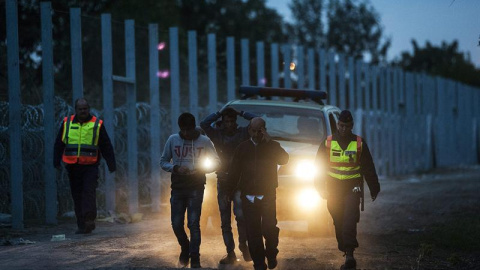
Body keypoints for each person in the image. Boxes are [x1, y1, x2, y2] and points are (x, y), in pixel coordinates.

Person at [314, 110, 380, 269]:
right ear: (337, 125)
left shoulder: (359, 143)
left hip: (353, 187)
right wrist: (319, 186)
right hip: (333, 188)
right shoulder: (327, 143)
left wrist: (374, 187)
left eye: (347, 126)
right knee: (338, 219)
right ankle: (344, 246)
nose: (344, 129)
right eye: (341, 125)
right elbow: (319, 167)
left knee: (349, 218)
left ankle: (350, 254)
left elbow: (368, 167)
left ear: (352, 126)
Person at [226, 117, 289, 270]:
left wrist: (270, 141)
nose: (256, 134)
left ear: (264, 130)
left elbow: (284, 159)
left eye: (259, 130)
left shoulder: (272, 146)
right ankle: (259, 263)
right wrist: (229, 190)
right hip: (248, 195)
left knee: (269, 228)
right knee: (253, 232)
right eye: (253, 130)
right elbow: (234, 171)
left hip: (267, 194)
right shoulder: (242, 148)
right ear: (249, 130)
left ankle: (272, 253)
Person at [160, 112, 220, 268]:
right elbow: (163, 161)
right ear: (180, 128)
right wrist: (176, 168)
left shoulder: (205, 141)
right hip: (178, 187)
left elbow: (216, 161)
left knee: (193, 224)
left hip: (196, 186)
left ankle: (195, 258)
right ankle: (185, 247)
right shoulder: (173, 140)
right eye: (183, 130)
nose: (186, 133)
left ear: (194, 128)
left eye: (189, 129)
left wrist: (202, 169)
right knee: (176, 224)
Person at [200, 107, 257, 264]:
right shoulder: (217, 135)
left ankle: (243, 246)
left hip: (239, 182)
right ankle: (230, 253)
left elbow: (258, 120)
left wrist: (241, 112)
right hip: (224, 182)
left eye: (232, 121)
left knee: (240, 216)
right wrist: (218, 112)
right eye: (227, 121)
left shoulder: (243, 133)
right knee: (225, 220)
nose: (230, 124)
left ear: (235, 122)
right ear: (223, 123)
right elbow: (204, 124)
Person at [54, 98, 116, 234]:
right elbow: (59, 143)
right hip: (72, 166)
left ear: (89, 109)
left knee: (88, 192)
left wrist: (111, 164)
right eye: (80, 109)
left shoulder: (96, 124)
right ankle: (81, 225)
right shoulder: (67, 123)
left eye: (85, 108)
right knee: (77, 195)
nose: (83, 111)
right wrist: (56, 161)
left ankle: (89, 219)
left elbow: (106, 145)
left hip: (90, 165)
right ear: (75, 110)